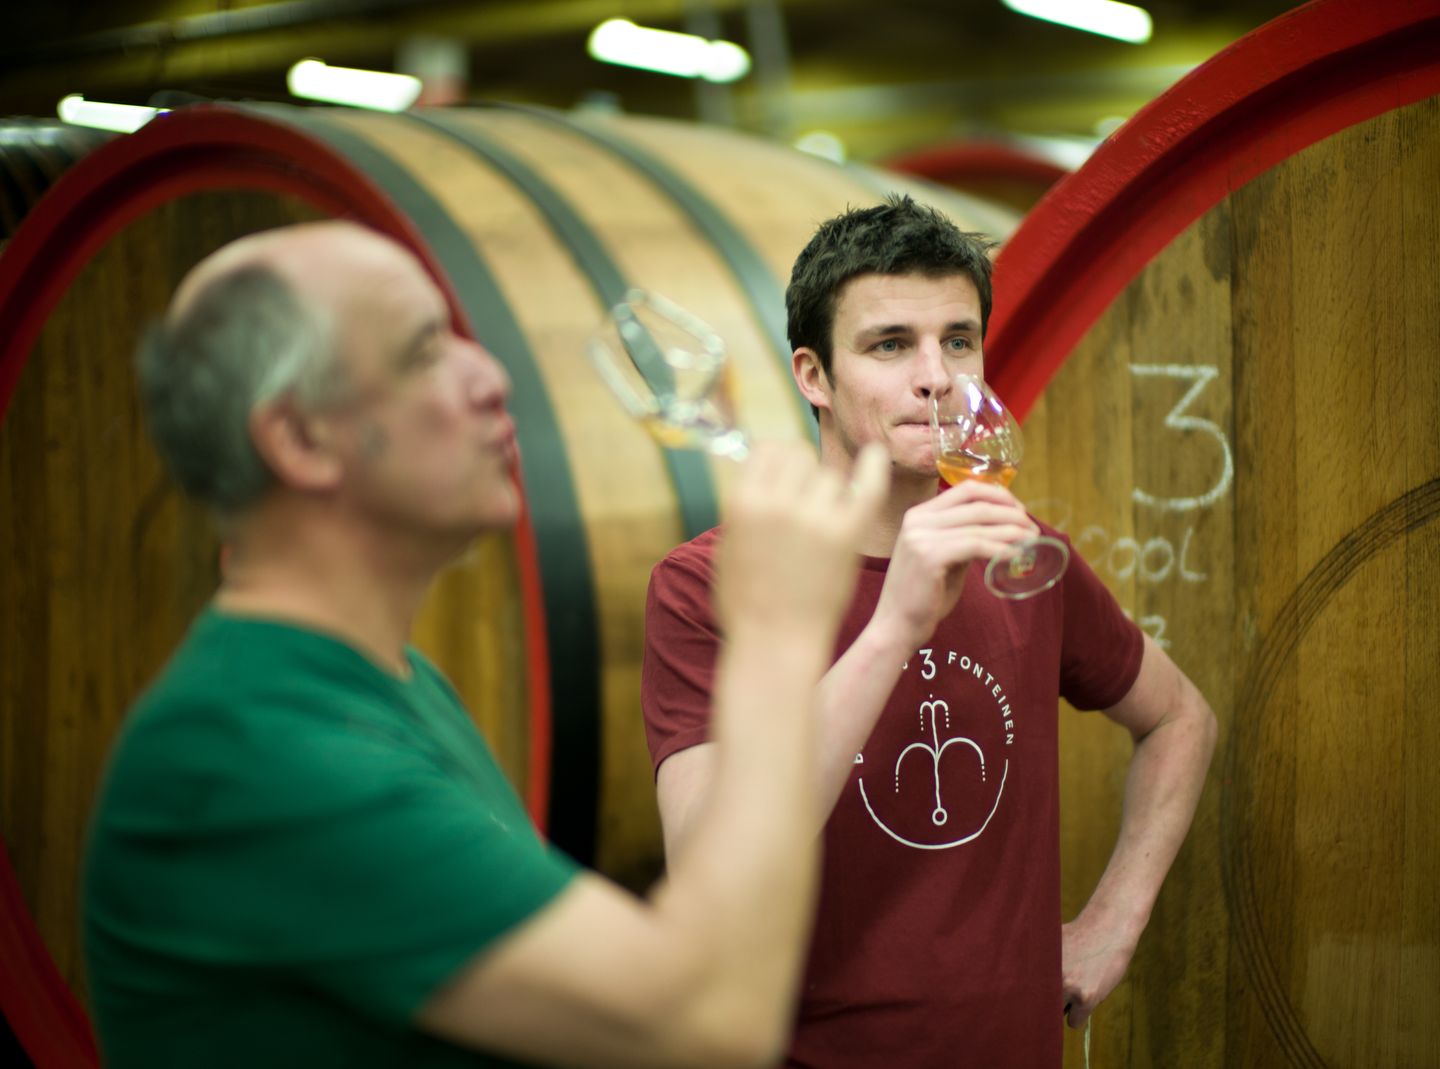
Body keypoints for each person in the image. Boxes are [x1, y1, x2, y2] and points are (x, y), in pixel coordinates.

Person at [82, 219, 890, 1069]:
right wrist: (774, 634)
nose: (493, 376)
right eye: (426, 349)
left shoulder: (396, 683)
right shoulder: (244, 757)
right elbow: (707, 1023)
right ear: (299, 439)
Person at [641, 195, 1218, 1068]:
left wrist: (1113, 919)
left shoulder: (1021, 553)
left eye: (958, 340)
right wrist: (893, 624)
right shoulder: (706, 586)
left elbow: (1181, 719)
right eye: (889, 345)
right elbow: (704, 865)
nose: (936, 376)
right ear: (813, 376)